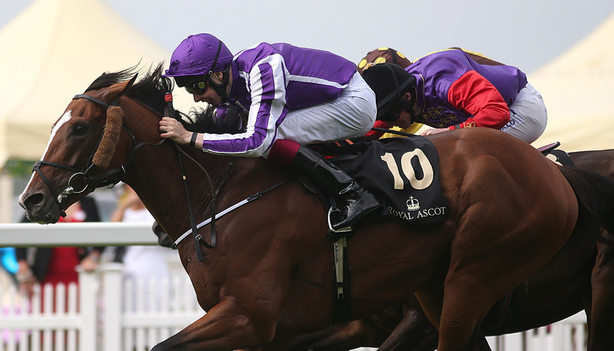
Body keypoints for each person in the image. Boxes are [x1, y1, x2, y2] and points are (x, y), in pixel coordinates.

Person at [159, 33, 379, 231]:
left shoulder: (262, 69)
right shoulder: (231, 82)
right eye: (189, 89)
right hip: (331, 100)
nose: (196, 97)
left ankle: (352, 193)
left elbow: (257, 142)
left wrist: (190, 137)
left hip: (353, 102)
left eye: (197, 86)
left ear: (217, 74)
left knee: (270, 139)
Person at [361, 47, 547, 144]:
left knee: (460, 145)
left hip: (518, 108)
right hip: (485, 113)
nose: (390, 123)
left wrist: (450, 131)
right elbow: (367, 133)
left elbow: (497, 112)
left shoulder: (445, 83)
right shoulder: (396, 99)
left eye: (390, 116)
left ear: (407, 98)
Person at [15, 197, 103, 310]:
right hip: (45, 276)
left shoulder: (87, 202)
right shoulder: (43, 200)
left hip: (78, 275)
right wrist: (23, 265)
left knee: (78, 317)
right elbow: (20, 233)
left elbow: (100, 235)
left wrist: (93, 257)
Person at [110, 185, 170, 309]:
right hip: (130, 269)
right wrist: (123, 206)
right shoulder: (124, 212)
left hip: (155, 269)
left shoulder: (155, 211)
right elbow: (111, 232)